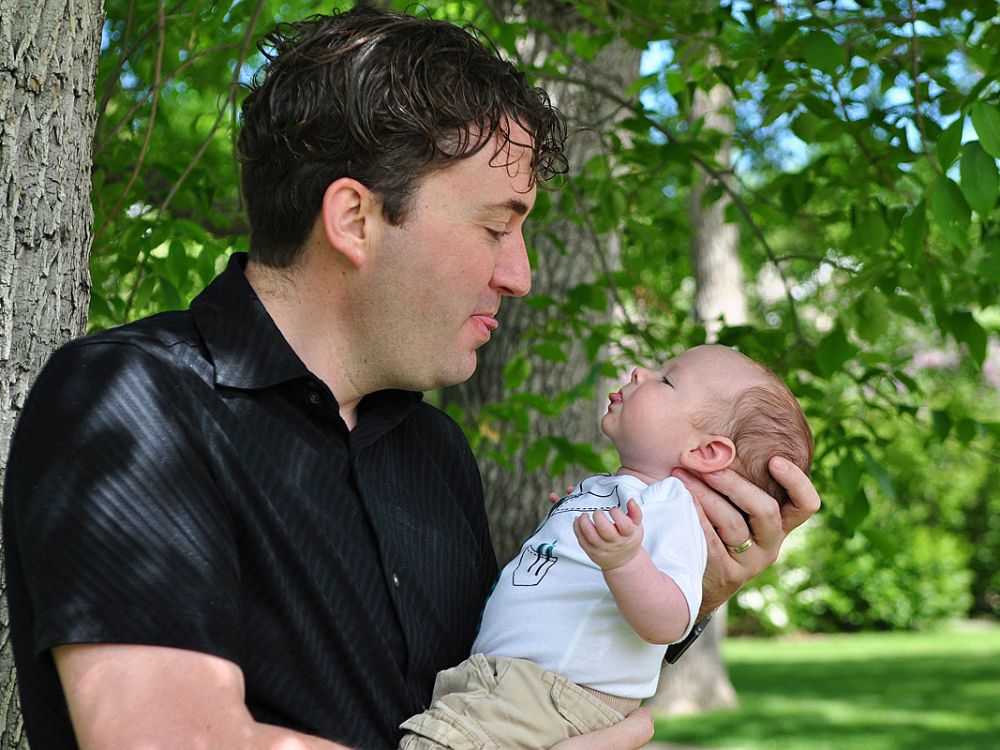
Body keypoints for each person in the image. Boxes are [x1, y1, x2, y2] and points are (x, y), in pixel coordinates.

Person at [2, 7, 820, 750]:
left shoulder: (432, 451)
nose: (521, 275)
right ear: (355, 218)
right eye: (498, 226)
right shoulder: (132, 402)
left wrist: (692, 589)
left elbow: (502, 690)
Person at [398, 344, 813, 749]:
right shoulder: (611, 490)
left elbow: (670, 622)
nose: (639, 373)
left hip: (549, 695)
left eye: (667, 380)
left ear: (705, 452)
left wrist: (625, 559)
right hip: (515, 686)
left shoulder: (673, 506)